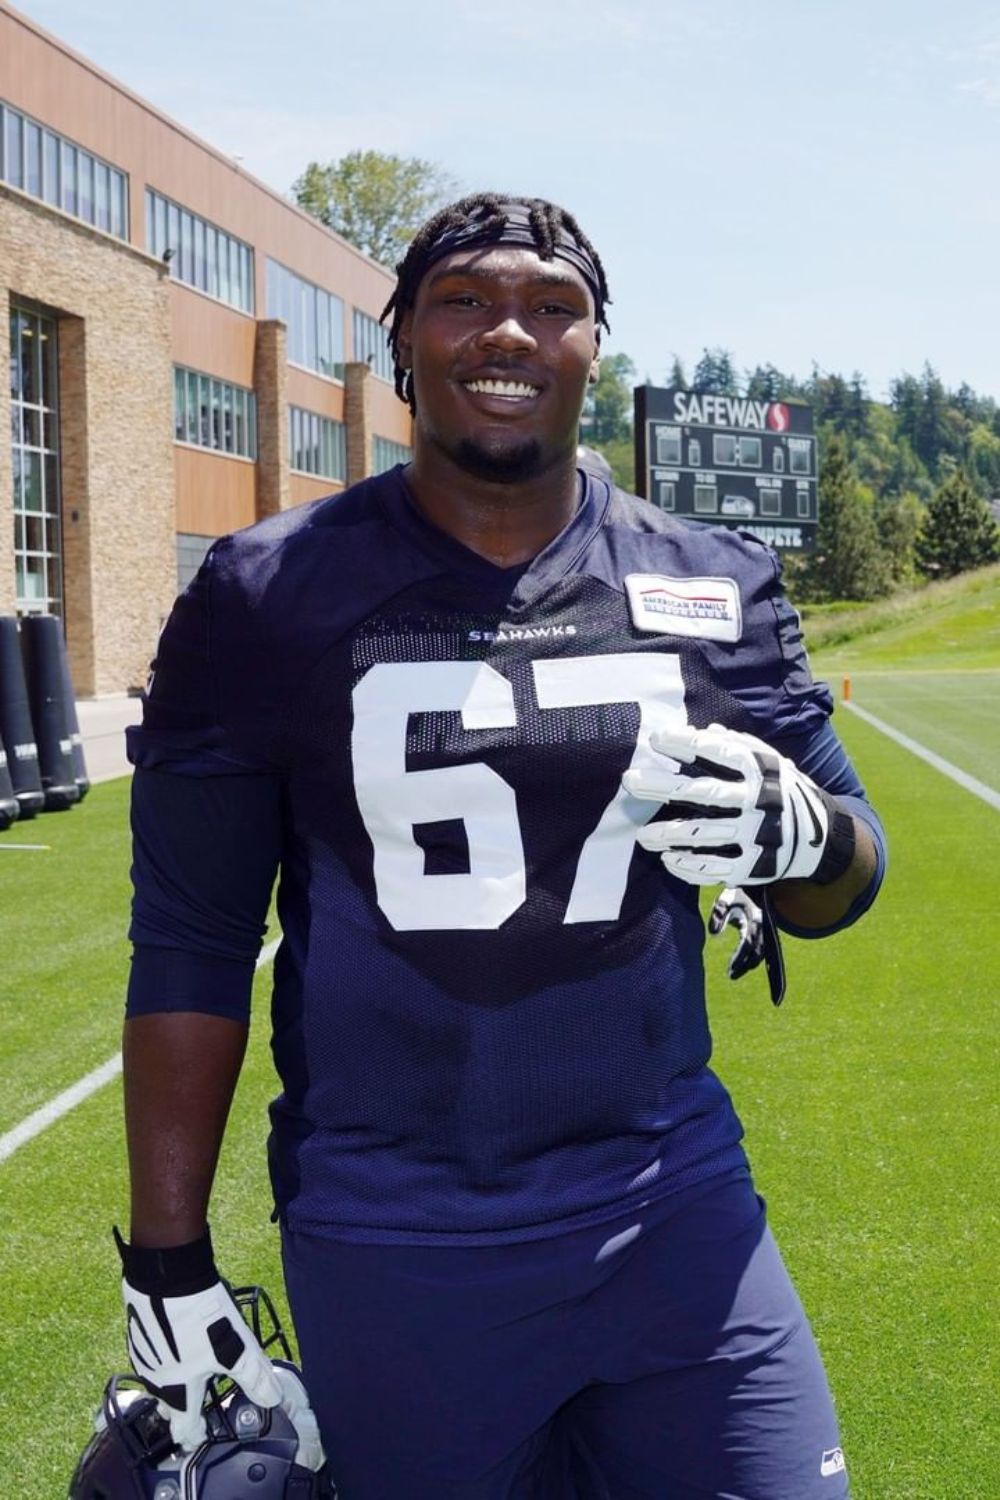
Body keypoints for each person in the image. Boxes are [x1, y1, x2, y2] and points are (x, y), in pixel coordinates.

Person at [119, 192, 886, 1499]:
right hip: (397, 1235)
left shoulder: (711, 581)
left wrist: (807, 843)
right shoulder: (262, 594)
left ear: (598, 345)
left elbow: (843, 876)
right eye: (465, 299)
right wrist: (168, 1264)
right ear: (404, 342)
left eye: (551, 305)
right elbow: (191, 948)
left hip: (671, 1207)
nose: (508, 332)